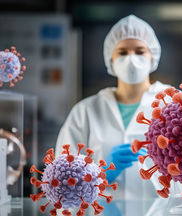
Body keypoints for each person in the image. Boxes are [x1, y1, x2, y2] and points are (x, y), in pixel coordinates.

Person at [55, 14, 173, 200]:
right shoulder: (85, 111)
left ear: (153, 56)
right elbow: (61, 181)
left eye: (140, 51)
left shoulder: (174, 104)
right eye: (123, 52)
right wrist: (100, 175)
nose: (131, 59)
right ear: (111, 58)